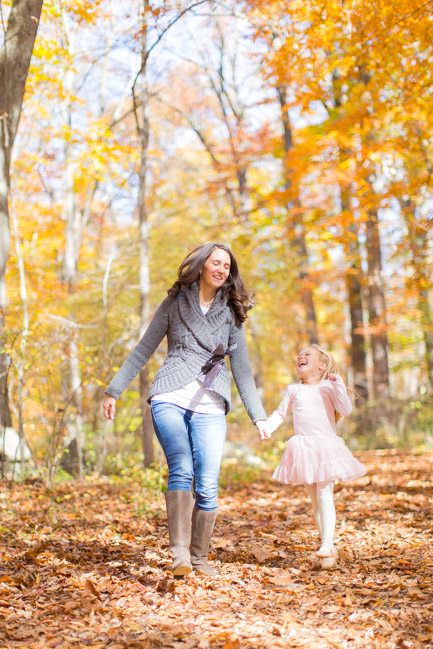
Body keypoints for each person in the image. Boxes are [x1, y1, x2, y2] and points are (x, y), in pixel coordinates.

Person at [103, 243, 267, 578]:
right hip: (170, 395)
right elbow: (143, 349)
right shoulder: (175, 303)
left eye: (226, 265)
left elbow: (243, 370)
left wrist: (259, 415)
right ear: (203, 264)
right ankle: (179, 556)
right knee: (181, 466)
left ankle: (200, 559)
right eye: (215, 262)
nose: (221, 269)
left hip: (211, 403)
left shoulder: (231, 314)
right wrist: (113, 391)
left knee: (207, 484)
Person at [260, 344, 366, 568]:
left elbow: (345, 409)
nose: (301, 356)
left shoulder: (329, 386)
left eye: (307, 354)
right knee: (316, 501)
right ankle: (328, 550)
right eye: (299, 355)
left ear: (322, 365)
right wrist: (268, 426)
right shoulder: (293, 389)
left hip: (326, 447)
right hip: (303, 449)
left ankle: (327, 543)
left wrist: (339, 385)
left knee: (325, 493)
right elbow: (280, 413)